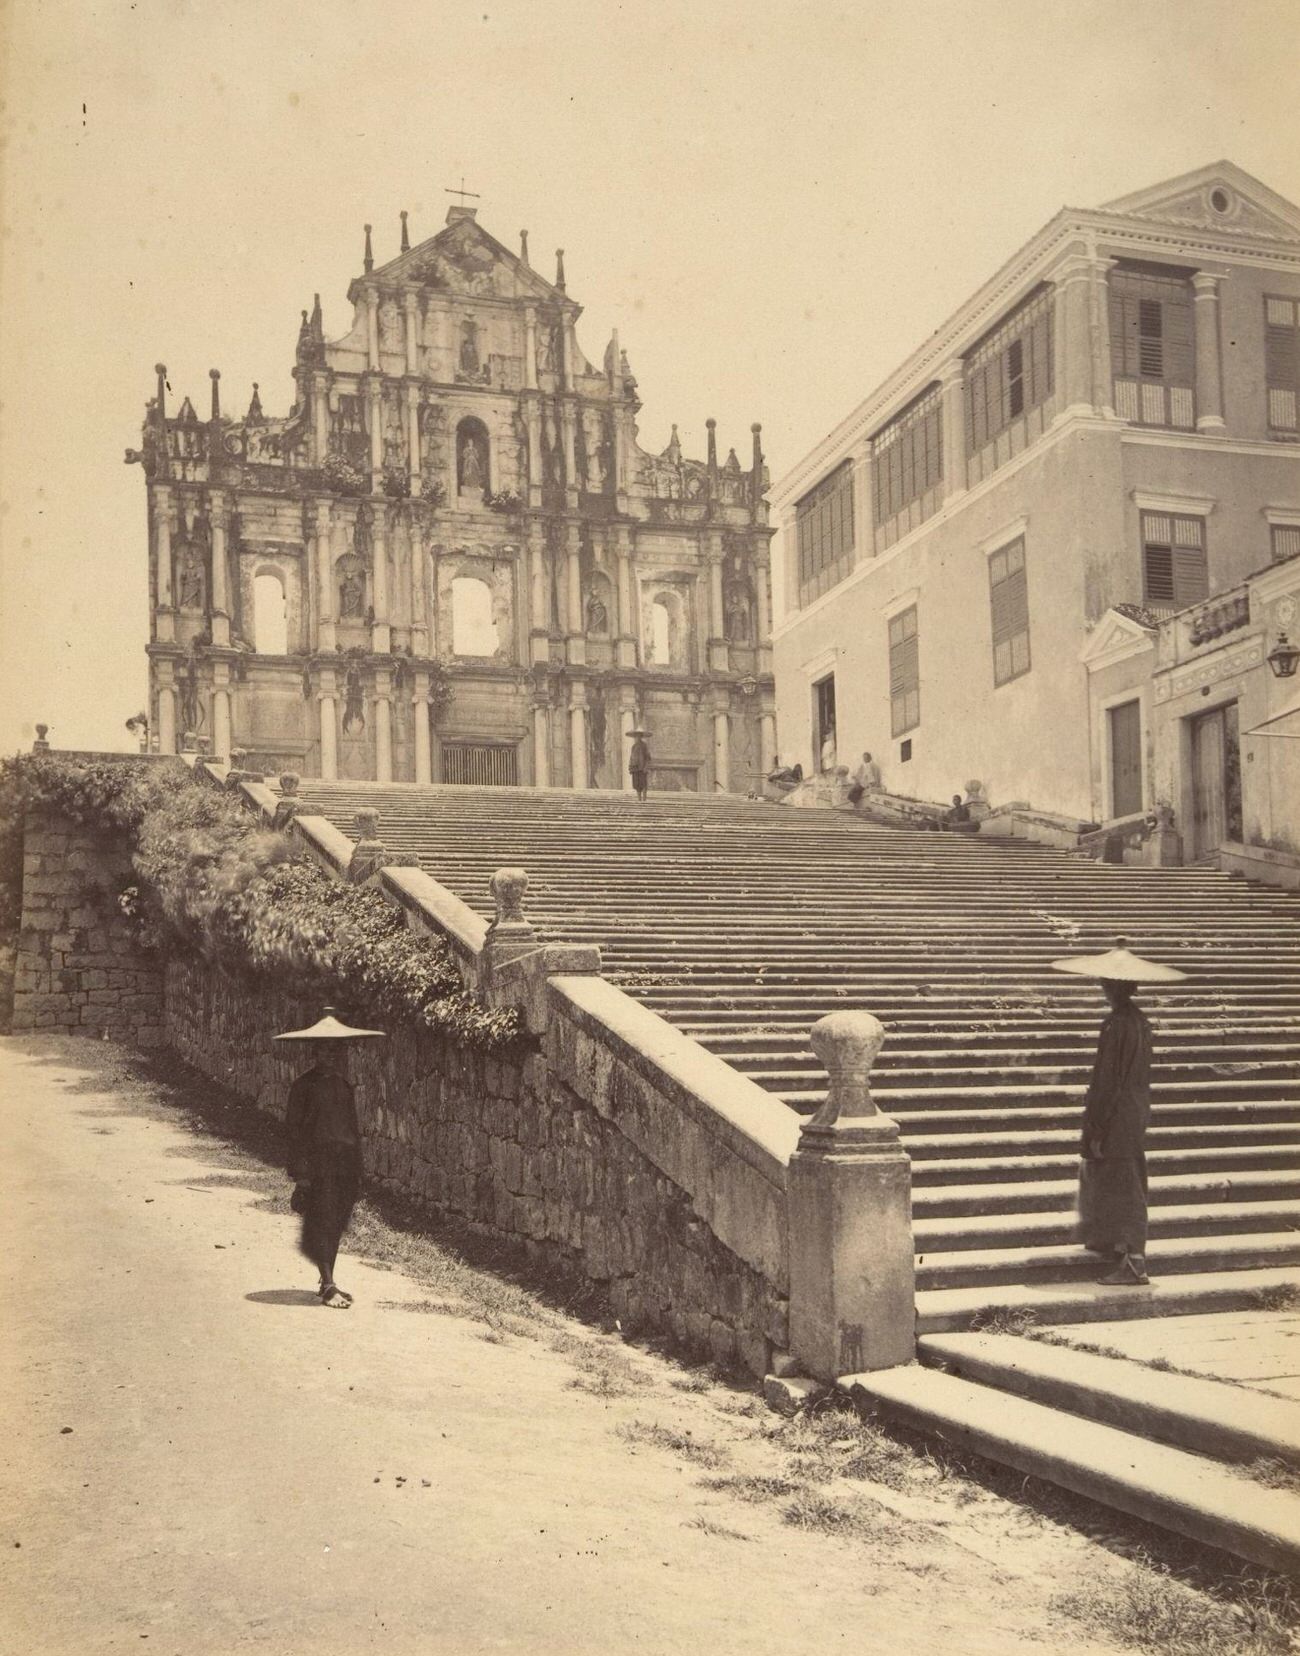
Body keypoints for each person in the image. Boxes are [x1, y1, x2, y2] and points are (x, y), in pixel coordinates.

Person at [1050, 941, 1185, 1287]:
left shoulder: (1116, 1024)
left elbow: (1108, 1081)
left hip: (1117, 1115)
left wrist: (1095, 1126)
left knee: (1123, 1183)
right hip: (1133, 1112)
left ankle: (1132, 1262)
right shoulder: (1140, 1022)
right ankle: (1108, 1240)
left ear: (1111, 987)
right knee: (1117, 1176)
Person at [276, 1008, 383, 1308]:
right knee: (321, 1221)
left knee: (335, 1223)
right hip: (318, 1165)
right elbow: (295, 1133)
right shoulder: (303, 1087)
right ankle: (329, 1284)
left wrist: (358, 1170)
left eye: (338, 1050)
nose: (333, 1056)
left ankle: (327, 1280)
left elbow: (351, 1130)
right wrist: (303, 1176)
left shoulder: (344, 1086)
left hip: (345, 1166)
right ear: (315, 1051)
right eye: (326, 1049)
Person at [629, 730, 651, 802]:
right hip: (635, 768)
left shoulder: (644, 746)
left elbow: (648, 757)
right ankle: (639, 799)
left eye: (639, 736)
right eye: (636, 736)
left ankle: (644, 799)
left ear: (641, 737)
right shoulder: (633, 746)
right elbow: (631, 757)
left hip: (642, 768)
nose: (637, 738)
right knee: (637, 784)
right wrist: (630, 767)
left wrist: (646, 767)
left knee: (643, 784)